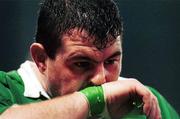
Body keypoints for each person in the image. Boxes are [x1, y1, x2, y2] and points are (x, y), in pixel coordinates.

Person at [0, 0, 179, 119]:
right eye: (82, 64)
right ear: (41, 59)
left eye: (111, 61)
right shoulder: (6, 89)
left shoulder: (146, 101)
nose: (101, 79)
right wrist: (98, 99)